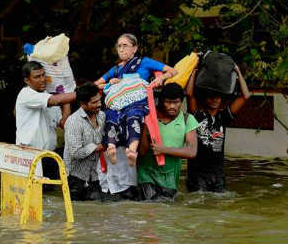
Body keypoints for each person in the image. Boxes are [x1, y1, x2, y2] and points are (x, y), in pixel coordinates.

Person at [94, 33, 177, 198]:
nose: (121, 48)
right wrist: (110, 82)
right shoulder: (116, 69)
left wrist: (161, 79)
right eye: (119, 46)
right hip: (119, 104)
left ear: (135, 48)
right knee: (110, 115)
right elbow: (97, 84)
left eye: (125, 45)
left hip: (136, 102)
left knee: (133, 115)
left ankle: (132, 151)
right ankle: (110, 148)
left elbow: (172, 70)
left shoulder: (144, 62)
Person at [186, 65, 251, 193]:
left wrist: (238, 72)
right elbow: (189, 94)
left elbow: (246, 96)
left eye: (218, 97)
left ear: (222, 99)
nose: (215, 100)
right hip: (197, 174)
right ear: (205, 98)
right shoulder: (197, 116)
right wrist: (194, 71)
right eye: (211, 96)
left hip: (217, 175)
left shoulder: (223, 117)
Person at [15, 61, 76, 180]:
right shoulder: (26, 94)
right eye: (37, 77)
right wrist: (81, 94)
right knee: (34, 194)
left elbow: (64, 123)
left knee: (51, 193)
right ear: (27, 80)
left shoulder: (47, 95)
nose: (43, 79)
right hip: (30, 157)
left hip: (49, 156)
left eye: (43, 75)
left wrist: (66, 98)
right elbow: (56, 100)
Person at [137, 83, 199, 200]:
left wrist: (163, 149)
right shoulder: (149, 117)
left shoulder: (187, 120)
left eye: (176, 102)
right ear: (161, 101)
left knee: (164, 213)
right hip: (145, 176)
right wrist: (147, 125)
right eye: (168, 102)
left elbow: (192, 151)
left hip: (169, 181)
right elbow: (142, 152)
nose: (172, 106)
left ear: (182, 102)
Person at [64, 82, 105, 201]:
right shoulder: (74, 121)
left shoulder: (102, 116)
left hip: (94, 176)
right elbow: (75, 152)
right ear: (83, 104)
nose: (99, 104)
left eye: (99, 100)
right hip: (75, 178)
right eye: (94, 102)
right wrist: (98, 147)